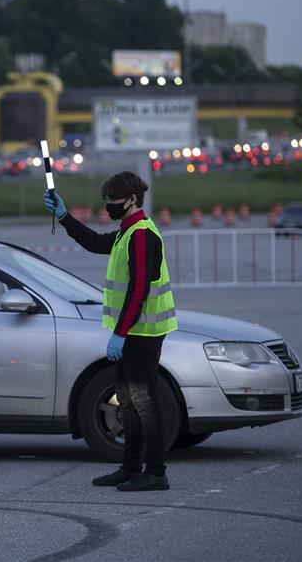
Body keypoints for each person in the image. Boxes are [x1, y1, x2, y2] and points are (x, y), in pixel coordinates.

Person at [44, 172, 178, 491]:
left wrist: (121, 332)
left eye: (113, 201)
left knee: (144, 401)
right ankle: (131, 468)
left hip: (143, 333)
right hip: (133, 332)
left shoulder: (143, 235)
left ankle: (156, 472)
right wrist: (64, 216)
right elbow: (93, 242)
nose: (108, 207)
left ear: (131, 199)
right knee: (128, 401)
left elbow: (140, 288)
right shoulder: (126, 232)